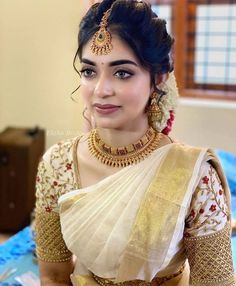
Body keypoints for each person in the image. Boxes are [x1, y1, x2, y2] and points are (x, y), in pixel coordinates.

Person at [34, 0, 236, 285]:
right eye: (89, 71)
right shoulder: (57, 165)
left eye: (122, 73)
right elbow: (53, 276)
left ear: (158, 78)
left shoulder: (196, 176)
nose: (100, 90)